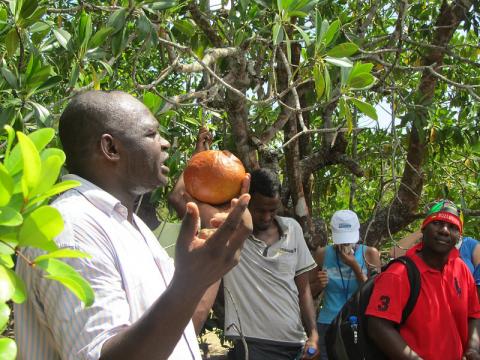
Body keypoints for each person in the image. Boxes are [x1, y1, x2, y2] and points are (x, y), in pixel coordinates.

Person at [14, 90, 253, 360]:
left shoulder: (127, 224)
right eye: (152, 134)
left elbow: (175, 332)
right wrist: (190, 282)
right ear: (111, 148)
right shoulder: (72, 228)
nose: (165, 144)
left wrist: (211, 259)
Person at [223, 168, 319, 360]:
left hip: (296, 344)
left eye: (272, 210)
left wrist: (314, 334)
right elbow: (180, 198)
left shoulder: (292, 229)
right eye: (260, 210)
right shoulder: (230, 232)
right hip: (252, 345)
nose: (267, 217)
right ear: (247, 201)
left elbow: (304, 290)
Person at [366, 199, 480, 360]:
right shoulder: (399, 273)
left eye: (453, 227)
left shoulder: (461, 269)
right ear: (424, 228)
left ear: (458, 237)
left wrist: (472, 348)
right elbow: (378, 326)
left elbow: (474, 314)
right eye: (438, 223)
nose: (445, 231)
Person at [312, 210, 381, 360]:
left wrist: (355, 266)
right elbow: (308, 292)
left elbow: (375, 295)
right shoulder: (322, 254)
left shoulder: (369, 254)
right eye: (341, 240)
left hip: (358, 324)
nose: (345, 244)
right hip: (327, 323)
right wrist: (319, 284)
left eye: (348, 240)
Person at [391, 225, 480, 299]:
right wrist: (425, 228)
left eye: (451, 226)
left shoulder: (469, 246)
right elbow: (395, 252)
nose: (444, 230)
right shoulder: (426, 244)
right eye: (438, 223)